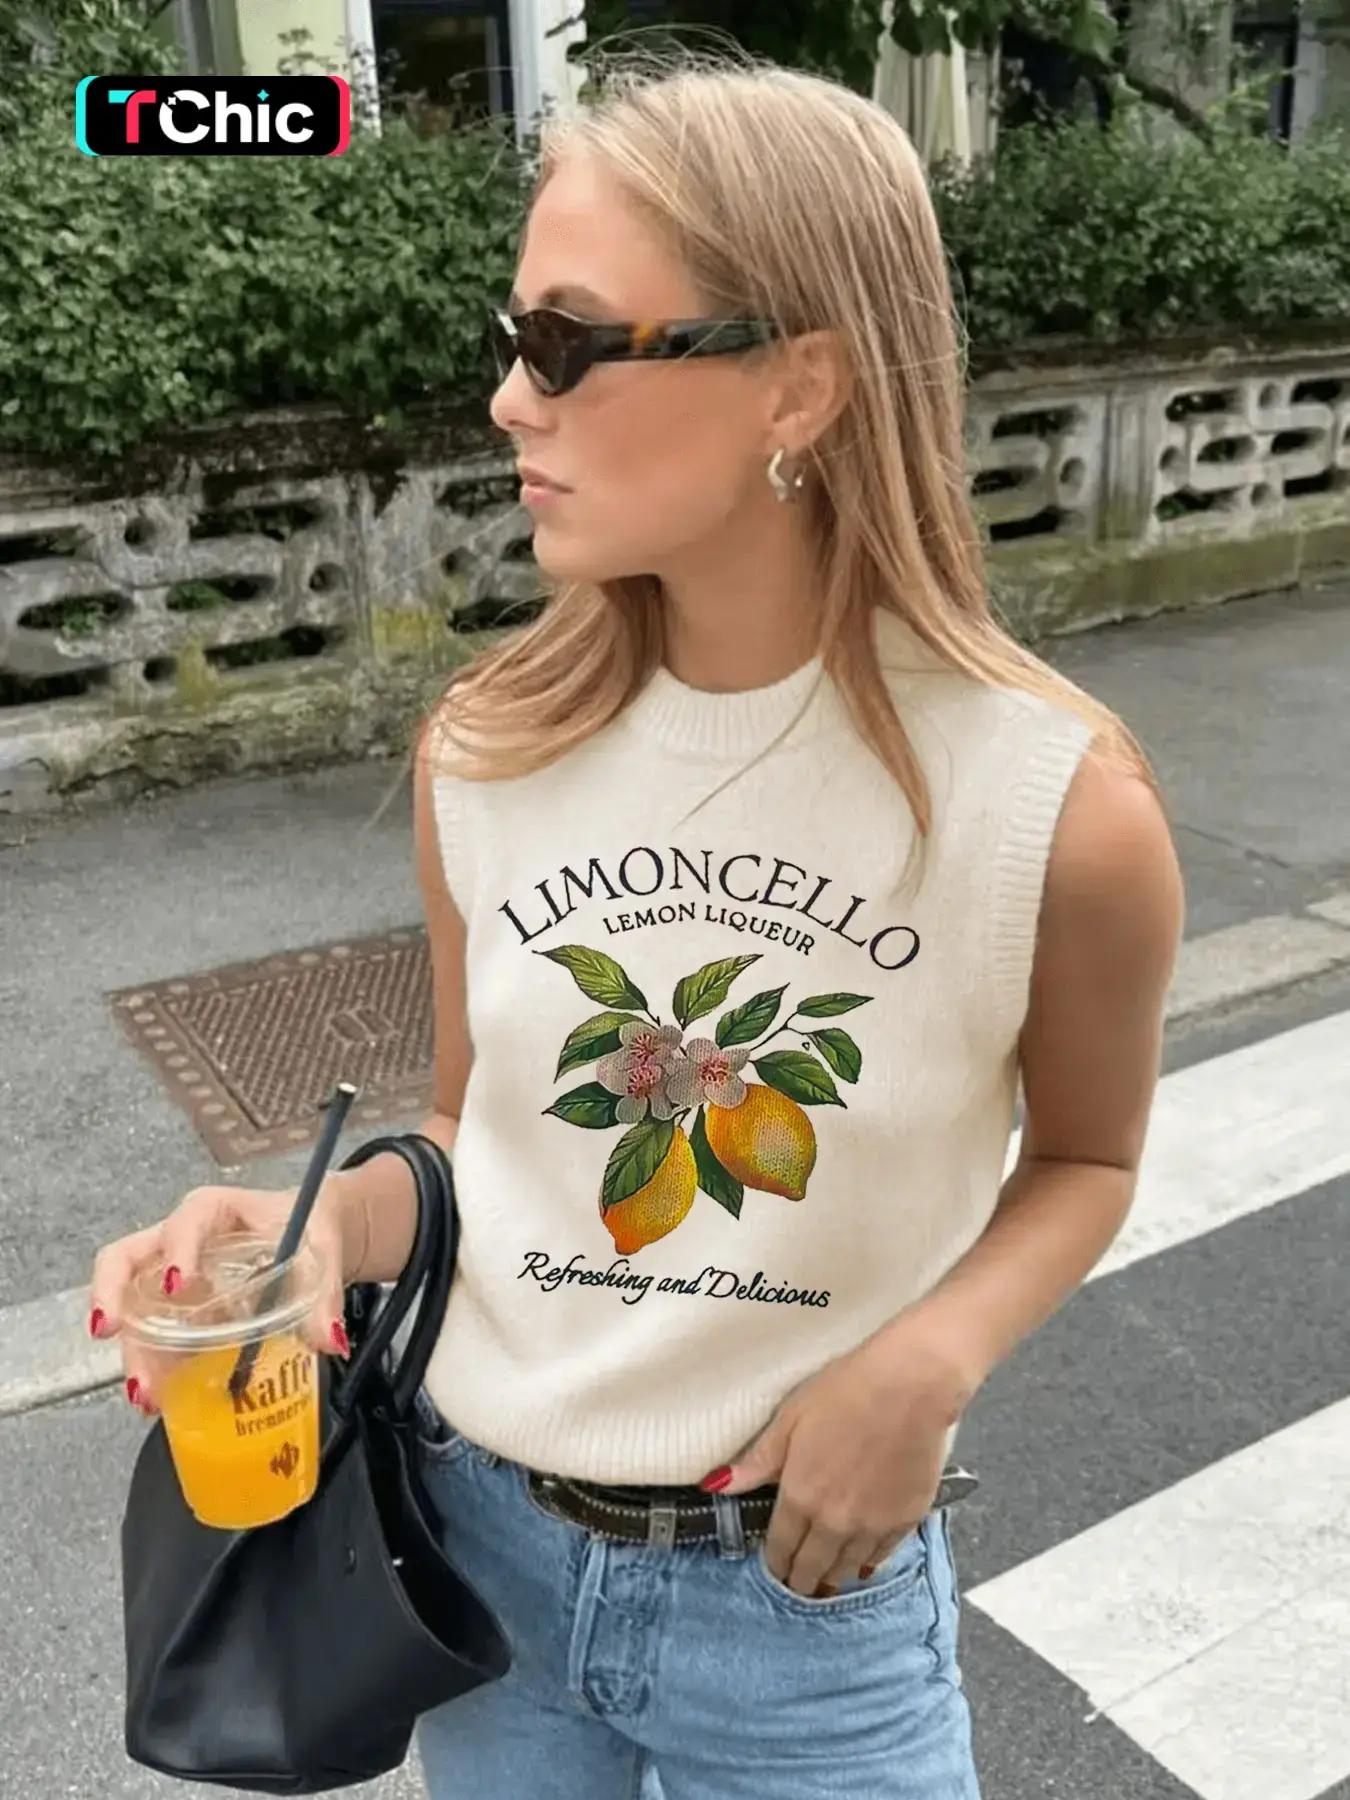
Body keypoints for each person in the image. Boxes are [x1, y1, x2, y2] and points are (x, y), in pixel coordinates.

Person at [89, 51, 1184, 1800]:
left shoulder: (1056, 809)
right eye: (510, 337)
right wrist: (316, 1240)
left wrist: (926, 1360)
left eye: (564, 344)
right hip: (477, 1562)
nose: (505, 402)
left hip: (801, 1616)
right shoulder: (487, 748)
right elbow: (480, 1138)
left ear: (797, 384)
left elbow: (1085, 1159)